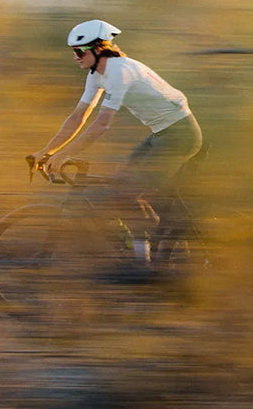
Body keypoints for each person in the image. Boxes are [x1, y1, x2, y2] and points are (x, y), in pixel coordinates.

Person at [34, 20, 203, 247]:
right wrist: (47, 151)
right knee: (119, 188)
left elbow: (102, 125)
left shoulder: (120, 71)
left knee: (126, 194)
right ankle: (145, 249)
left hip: (180, 135)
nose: (76, 57)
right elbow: (78, 117)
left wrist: (64, 155)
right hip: (160, 134)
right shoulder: (97, 74)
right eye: (73, 52)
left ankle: (147, 260)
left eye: (79, 51)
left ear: (98, 49)